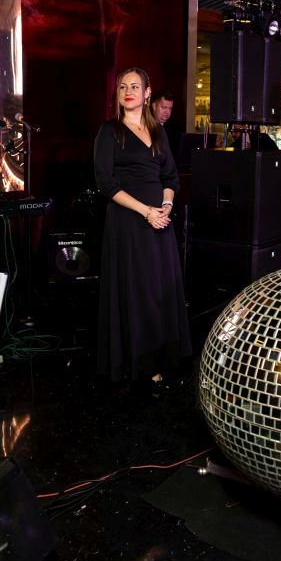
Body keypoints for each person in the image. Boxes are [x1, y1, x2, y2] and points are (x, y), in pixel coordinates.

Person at [94, 67, 192, 385]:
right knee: (137, 292)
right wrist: (146, 211)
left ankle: (163, 356)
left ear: (147, 93)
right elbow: (106, 183)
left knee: (160, 290)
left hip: (160, 222)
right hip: (129, 223)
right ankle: (140, 362)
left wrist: (166, 207)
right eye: (123, 87)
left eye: (135, 86)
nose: (128, 92)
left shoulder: (158, 131)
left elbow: (170, 178)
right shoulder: (109, 131)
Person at [151, 90, 182, 160]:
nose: (167, 112)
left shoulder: (176, 129)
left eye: (170, 108)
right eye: (164, 107)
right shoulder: (144, 127)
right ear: (154, 106)